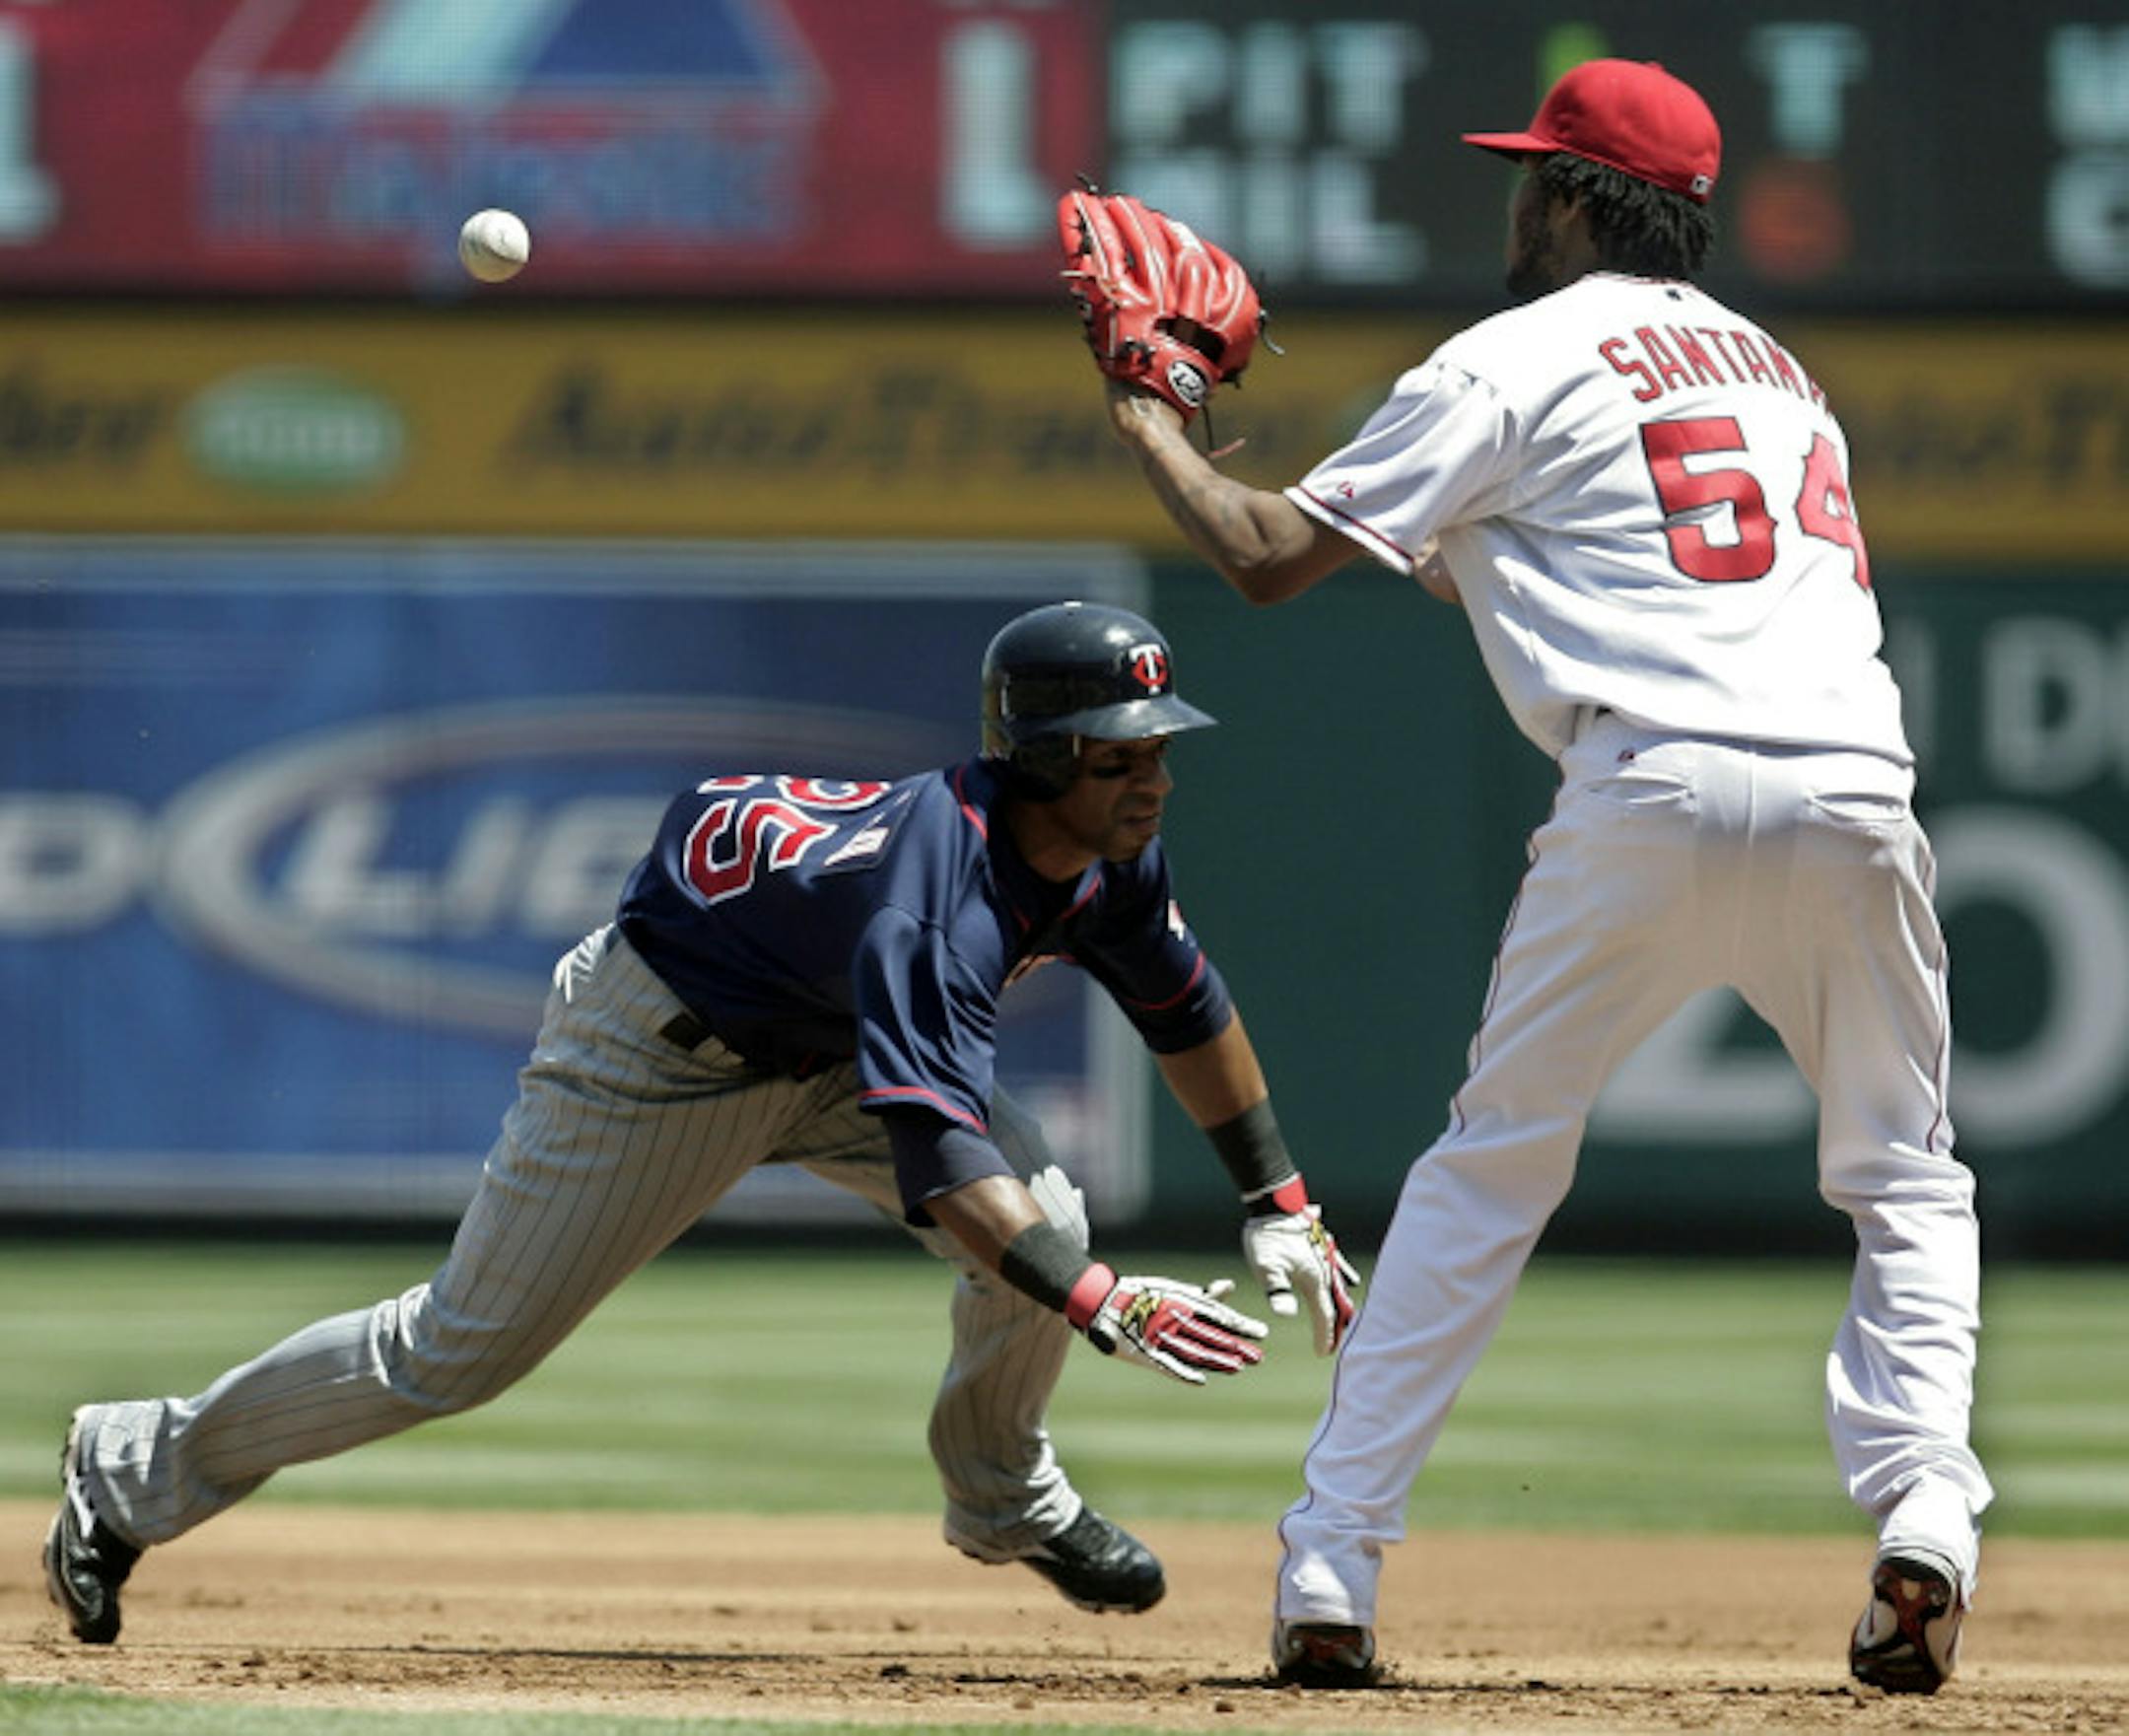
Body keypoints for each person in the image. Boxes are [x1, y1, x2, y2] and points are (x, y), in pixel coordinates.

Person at [1093, 60, 1989, 1697]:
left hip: (1643, 785)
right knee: (1908, 1179)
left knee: (1490, 1171)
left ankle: (1332, 1565)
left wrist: (1149, 412)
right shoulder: (1788, 379)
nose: (1517, 197)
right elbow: (1551, 559)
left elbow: (1262, 559)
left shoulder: (1508, 354)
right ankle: (1927, 1510)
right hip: (1856, 789)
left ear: (1578, 199)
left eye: (1533, 174)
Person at [44, 599, 1359, 1646]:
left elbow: (1187, 1006)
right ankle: (131, 1463)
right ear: (1046, 756)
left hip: (824, 1034)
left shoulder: (1111, 852)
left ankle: (1002, 1498)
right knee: (455, 1350)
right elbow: (947, 1161)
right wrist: (1107, 1306)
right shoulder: (932, 898)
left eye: (1161, 745)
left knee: (1053, 1221)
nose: (1155, 776)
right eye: (1123, 752)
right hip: (662, 1051)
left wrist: (1278, 1195)